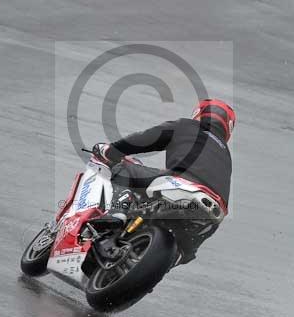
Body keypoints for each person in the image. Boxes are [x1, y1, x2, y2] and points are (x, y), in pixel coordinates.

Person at [91, 98, 235, 263]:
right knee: (184, 253)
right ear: (228, 127)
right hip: (214, 210)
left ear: (198, 113)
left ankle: (116, 214)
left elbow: (145, 139)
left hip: (183, 185)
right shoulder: (226, 154)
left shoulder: (187, 126)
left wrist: (111, 151)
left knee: (122, 170)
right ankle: (167, 262)